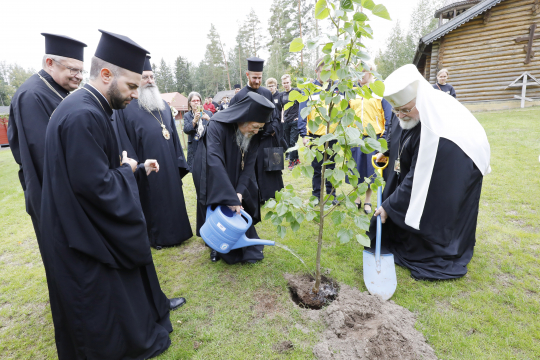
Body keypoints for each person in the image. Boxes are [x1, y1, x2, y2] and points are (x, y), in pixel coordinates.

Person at [40, 30, 178, 359]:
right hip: (81, 233)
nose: (135, 94)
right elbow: (96, 187)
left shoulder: (91, 107)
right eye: (131, 85)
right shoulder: (83, 114)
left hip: (81, 224)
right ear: (106, 75)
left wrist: (126, 168)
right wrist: (127, 171)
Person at [369, 64, 491, 281]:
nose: (401, 115)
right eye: (396, 110)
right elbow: (398, 135)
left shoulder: (437, 131)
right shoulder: (407, 113)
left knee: (437, 207)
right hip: (435, 161)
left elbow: (419, 180)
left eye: (405, 110)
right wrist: (387, 151)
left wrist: (389, 207)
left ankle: (433, 244)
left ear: (421, 100)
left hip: (457, 163)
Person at [7, 32, 86, 358]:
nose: (78, 77)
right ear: (49, 62)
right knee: (68, 269)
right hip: (53, 202)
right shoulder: (31, 96)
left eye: (81, 71)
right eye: (72, 70)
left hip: (73, 196)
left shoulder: (59, 91)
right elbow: (44, 159)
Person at [113, 55, 192, 249]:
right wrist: (137, 167)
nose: (149, 81)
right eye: (145, 77)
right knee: (153, 203)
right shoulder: (125, 108)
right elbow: (123, 141)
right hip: (146, 168)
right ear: (136, 80)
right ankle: (157, 238)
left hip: (169, 165)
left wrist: (177, 162)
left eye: (152, 77)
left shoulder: (164, 106)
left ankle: (179, 232)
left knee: (173, 198)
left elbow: (172, 136)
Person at [192, 92, 274, 264]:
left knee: (240, 204)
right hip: (211, 170)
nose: (257, 131)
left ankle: (239, 242)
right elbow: (214, 162)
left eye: (260, 127)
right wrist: (230, 196)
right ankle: (215, 244)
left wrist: (238, 192)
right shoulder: (217, 124)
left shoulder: (254, 133)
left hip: (236, 171)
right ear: (243, 118)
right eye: (254, 126)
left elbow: (249, 165)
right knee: (217, 204)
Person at [347, 62, 395, 214]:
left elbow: (388, 117)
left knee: (369, 170)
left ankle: (367, 200)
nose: (360, 75)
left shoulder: (379, 91)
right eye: (357, 72)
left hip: (372, 137)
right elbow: (347, 114)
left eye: (363, 72)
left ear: (371, 72)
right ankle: (356, 198)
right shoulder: (352, 91)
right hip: (355, 136)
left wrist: (384, 137)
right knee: (355, 168)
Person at [298, 57, 338, 202]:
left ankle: (331, 194)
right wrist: (304, 134)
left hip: (333, 135)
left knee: (331, 166)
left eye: (329, 72)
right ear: (316, 72)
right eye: (323, 72)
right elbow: (302, 113)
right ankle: (316, 195)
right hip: (315, 135)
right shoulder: (310, 90)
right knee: (316, 167)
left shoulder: (335, 88)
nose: (326, 75)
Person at [183, 91, 212, 170]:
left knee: (209, 170)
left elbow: (215, 128)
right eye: (193, 101)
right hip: (194, 146)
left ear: (200, 102)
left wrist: (208, 119)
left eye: (198, 100)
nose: (196, 102)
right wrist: (194, 120)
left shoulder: (208, 114)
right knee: (196, 171)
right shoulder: (187, 115)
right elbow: (186, 130)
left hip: (207, 145)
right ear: (189, 103)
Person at [280, 74, 302, 169]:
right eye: (284, 83)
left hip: (295, 121)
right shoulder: (282, 95)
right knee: (289, 143)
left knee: (293, 142)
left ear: (290, 82)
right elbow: (282, 108)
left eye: (287, 82)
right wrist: (282, 119)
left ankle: (291, 162)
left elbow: (303, 103)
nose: (286, 84)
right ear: (282, 84)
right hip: (286, 121)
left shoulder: (296, 91)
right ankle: (296, 159)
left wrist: (299, 116)